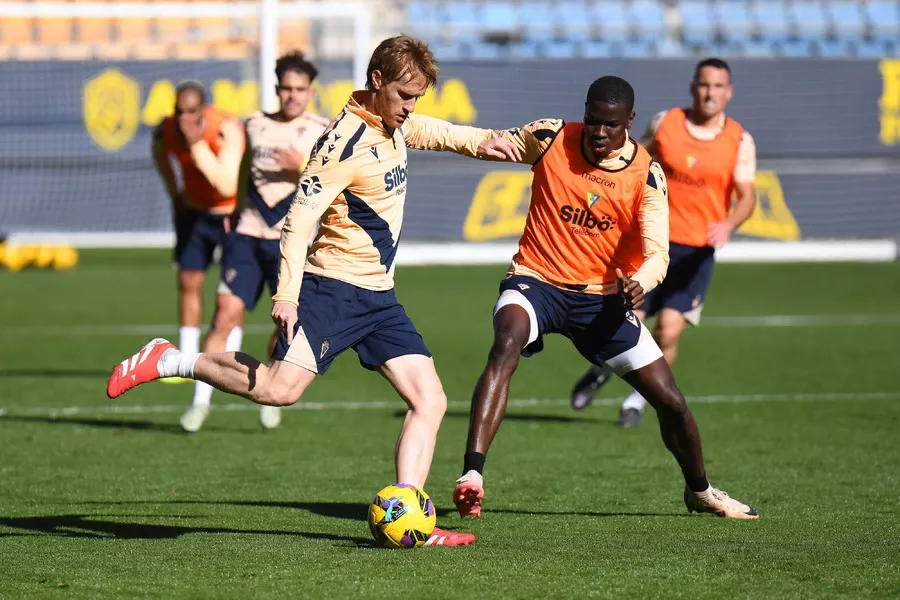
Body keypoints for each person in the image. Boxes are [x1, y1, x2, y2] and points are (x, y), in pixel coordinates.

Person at [108, 35, 521, 546]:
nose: (411, 107)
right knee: (279, 391)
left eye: (417, 97)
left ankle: (411, 517)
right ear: (378, 82)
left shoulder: (393, 122)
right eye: (405, 96)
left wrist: (483, 141)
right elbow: (298, 222)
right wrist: (285, 294)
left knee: (430, 399)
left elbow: (429, 130)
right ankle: (172, 360)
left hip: (379, 297)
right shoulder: (342, 144)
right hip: (332, 290)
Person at [452, 76, 759, 521]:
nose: (598, 133)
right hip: (535, 281)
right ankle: (472, 477)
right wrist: (413, 128)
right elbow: (483, 141)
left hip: (600, 299)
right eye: (593, 121)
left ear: (629, 123)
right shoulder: (551, 137)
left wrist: (642, 281)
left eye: (610, 126)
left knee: (671, 402)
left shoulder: (646, 175)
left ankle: (701, 490)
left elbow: (658, 254)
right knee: (506, 341)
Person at [569, 58, 757, 428]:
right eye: (704, 84)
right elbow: (635, 159)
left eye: (718, 86)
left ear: (729, 92)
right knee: (626, 323)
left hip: (694, 254)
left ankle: (635, 403)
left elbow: (747, 196)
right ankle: (601, 370)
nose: (710, 93)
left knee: (668, 331)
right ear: (693, 87)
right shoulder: (666, 122)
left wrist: (729, 223)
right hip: (650, 242)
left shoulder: (739, 140)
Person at [181, 51, 330, 433]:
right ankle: (200, 402)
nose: (292, 96)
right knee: (225, 315)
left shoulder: (323, 131)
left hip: (289, 243)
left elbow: (334, 185)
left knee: (284, 327)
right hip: (247, 235)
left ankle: (268, 388)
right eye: (286, 88)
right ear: (277, 89)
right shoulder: (252, 126)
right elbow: (235, 174)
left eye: (300, 89)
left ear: (310, 92)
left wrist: (301, 165)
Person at [151, 82, 245, 382]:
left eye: (191, 112)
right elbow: (159, 153)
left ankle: (228, 359)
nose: (184, 119)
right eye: (179, 112)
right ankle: (186, 360)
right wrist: (175, 192)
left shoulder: (226, 128)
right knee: (188, 280)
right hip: (194, 212)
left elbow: (226, 185)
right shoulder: (165, 131)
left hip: (231, 215)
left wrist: (196, 145)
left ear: (203, 110)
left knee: (231, 293)